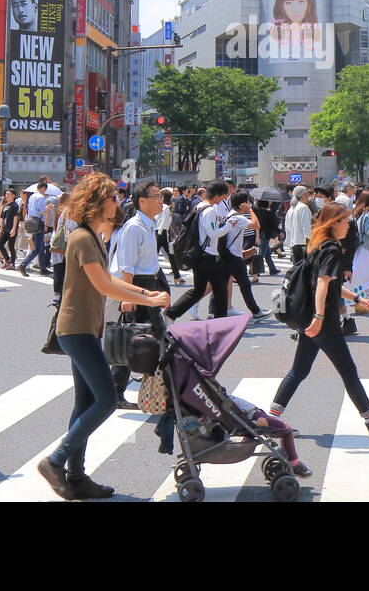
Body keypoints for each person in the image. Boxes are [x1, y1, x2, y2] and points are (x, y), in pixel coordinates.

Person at [38, 173, 170, 500]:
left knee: (85, 402)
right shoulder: (82, 237)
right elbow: (104, 286)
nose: (116, 203)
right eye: (112, 198)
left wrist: (144, 292)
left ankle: (76, 477)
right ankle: (55, 462)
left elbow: (111, 279)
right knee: (107, 400)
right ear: (98, 201)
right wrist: (148, 298)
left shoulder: (94, 236)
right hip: (76, 329)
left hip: (86, 329)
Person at [268, 202, 369, 435]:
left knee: (299, 370)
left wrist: (358, 299)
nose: (348, 224)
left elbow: (333, 285)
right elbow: (322, 284)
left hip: (311, 318)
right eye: (344, 220)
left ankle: (271, 418)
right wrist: (319, 317)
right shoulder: (331, 249)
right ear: (333, 223)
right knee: (347, 371)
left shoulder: (317, 245)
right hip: (324, 321)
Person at [108, 179, 171, 408]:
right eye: (156, 197)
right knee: (135, 341)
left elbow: (151, 263)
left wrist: (162, 289)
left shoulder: (149, 224)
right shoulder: (134, 227)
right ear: (142, 201)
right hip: (137, 288)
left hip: (148, 286)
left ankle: (158, 392)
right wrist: (127, 297)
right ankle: (116, 392)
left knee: (148, 340)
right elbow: (128, 266)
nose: (160, 201)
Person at [167, 181, 232, 321]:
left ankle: (171, 313)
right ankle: (220, 320)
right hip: (208, 255)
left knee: (198, 291)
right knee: (220, 289)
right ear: (217, 195)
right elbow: (213, 233)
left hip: (198, 254)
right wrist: (229, 226)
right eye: (222, 196)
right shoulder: (210, 210)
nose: (222, 200)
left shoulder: (199, 206)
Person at [220, 191, 266, 319]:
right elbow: (256, 225)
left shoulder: (230, 214)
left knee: (218, 284)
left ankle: (213, 310)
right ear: (243, 204)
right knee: (245, 284)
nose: (250, 203)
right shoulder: (238, 218)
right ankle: (256, 311)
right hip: (233, 257)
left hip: (229, 254)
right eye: (248, 201)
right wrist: (250, 210)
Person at [18, 180, 51, 276]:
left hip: (30, 220)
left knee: (40, 246)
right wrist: (48, 209)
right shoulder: (41, 197)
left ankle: (43, 267)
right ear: (43, 188)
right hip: (38, 222)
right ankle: (23, 265)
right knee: (38, 247)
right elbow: (42, 211)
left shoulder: (32, 196)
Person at [284, 186, 312, 261]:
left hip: (294, 242)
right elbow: (306, 227)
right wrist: (311, 240)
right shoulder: (303, 207)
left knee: (297, 267)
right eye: (307, 194)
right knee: (305, 268)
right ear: (303, 195)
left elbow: (288, 226)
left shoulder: (292, 208)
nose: (308, 196)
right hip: (303, 242)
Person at [0, 187, 19, 266]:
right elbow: (2, 219)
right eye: (6, 194)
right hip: (5, 229)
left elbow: (16, 217)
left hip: (12, 228)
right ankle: (7, 260)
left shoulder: (15, 205)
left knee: (11, 246)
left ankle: (12, 263)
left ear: (13, 195)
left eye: (8, 194)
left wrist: (14, 229)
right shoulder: (5, 206)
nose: (6, 196)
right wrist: (0, 228)